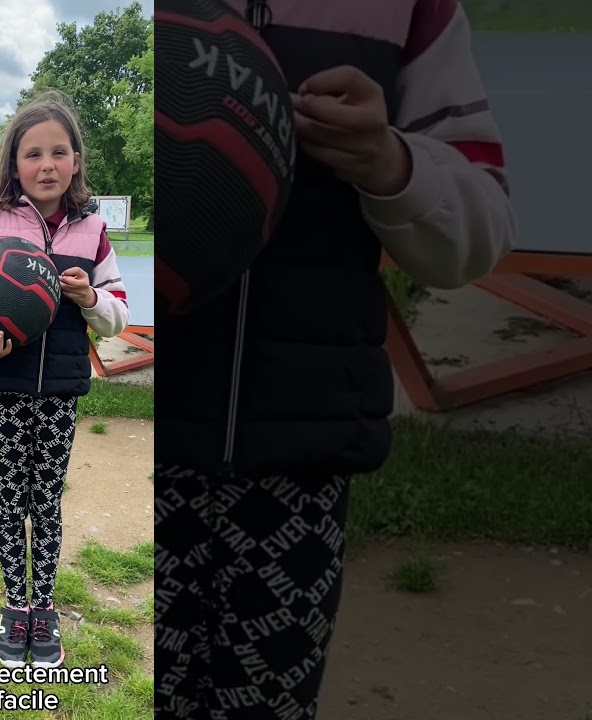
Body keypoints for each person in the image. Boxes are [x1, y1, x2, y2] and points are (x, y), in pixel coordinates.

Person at [158, 1, 520, 718]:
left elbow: (482, 229)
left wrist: (392, 163)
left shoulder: (410, 9)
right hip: (142, 436)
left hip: (296, 464)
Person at [0, 90, 131, 669]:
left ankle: (43, 606)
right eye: (32, 153)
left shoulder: (93, 231)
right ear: (14, 164)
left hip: (60, 391)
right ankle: (14, 604)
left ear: (76, 160)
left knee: (45, 500)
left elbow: (120, 312)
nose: (46, 164)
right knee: (9, 500)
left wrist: (90, 297)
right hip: (3, 387)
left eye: (58, 151)